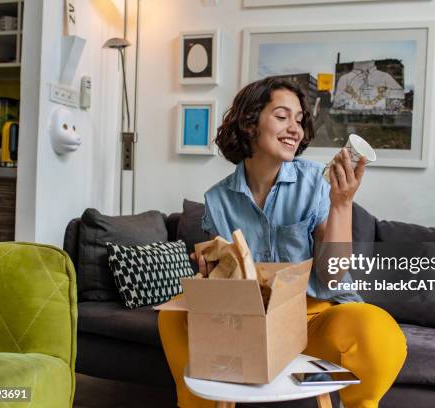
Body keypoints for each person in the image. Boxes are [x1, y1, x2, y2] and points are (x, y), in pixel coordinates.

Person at [159, 77, 407, 408]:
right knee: (174, 313)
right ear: (249, 123)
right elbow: (225, 281)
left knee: (378, 330)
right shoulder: (217, 199)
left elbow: (332, 276)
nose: (296, 129)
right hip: (250, 322)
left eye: (300, 120)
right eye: (282, 116)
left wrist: (341, 203)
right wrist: (210, 271)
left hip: (315, 319)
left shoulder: (315, 183)